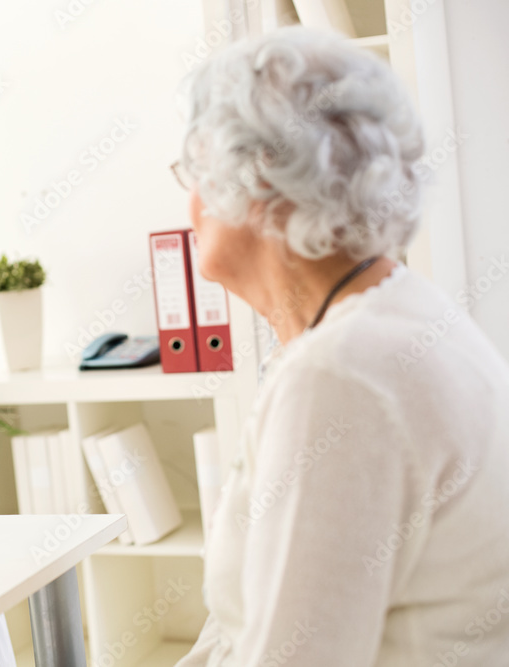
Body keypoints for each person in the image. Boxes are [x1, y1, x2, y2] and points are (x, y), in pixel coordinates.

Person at [171, 27, 509, 666]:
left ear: (258, 185)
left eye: (194, 172)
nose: (188, 202)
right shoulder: (395, 319)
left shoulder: (343, 376)